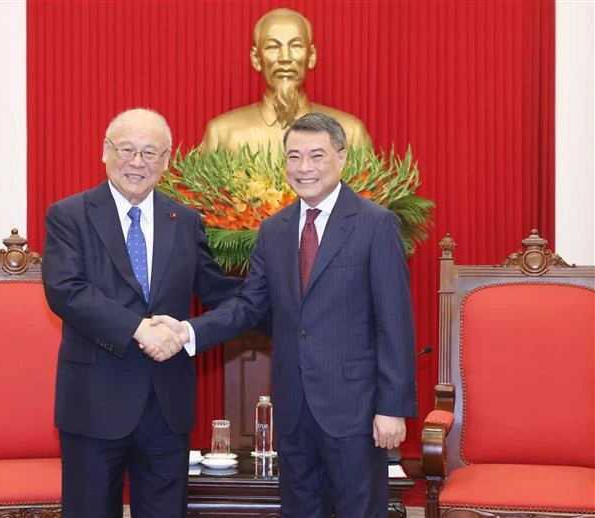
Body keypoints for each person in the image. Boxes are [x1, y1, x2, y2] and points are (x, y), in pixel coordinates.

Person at [150, 113, 417, 518]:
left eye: (316, 155)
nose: (304, 167)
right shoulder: (274, 230)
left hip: (355, 410)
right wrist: (189, 331)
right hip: (293, 410)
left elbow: (394, 321)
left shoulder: (375, 224)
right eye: (294, 157)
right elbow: (249, 306)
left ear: (342, 158)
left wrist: (392, 407)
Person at [42, 108, 241, 518]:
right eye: (127, 149)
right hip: (94, 403)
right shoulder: (69, 215)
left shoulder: (184, 220)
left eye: (150, 153)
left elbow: (217, 291)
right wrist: (138, 329)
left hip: (166, 405)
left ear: (167, 160)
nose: (137, 162)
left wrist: (285, 292)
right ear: (104, 151)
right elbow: (66, 291)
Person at [201, 8, 370, 155]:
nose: (285, 58)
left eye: (296, 46)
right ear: (256, 59)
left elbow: (366, 192)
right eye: (273, 47)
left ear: (311, 57)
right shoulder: (223, 134)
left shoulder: (350, 134)